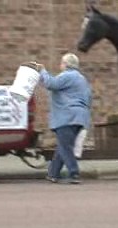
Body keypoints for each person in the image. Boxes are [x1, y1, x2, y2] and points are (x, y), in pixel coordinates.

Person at [38, 53, 92, 184]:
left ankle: (74, 173)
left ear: (66, 64)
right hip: (80, 118)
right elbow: (89, 98)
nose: (60, 65)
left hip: (66, 117)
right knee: (63, 146)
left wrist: (42, 71)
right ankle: (53, 173)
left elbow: (51, 84)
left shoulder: (68, 75)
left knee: (65, 147)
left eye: (62, 62)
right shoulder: (81, 79)